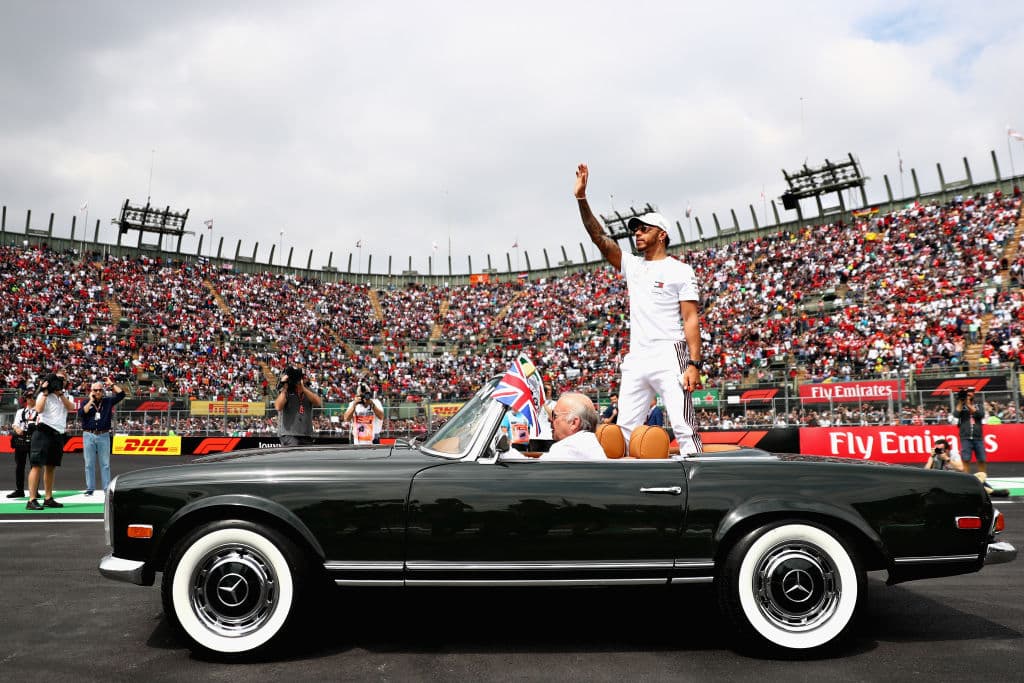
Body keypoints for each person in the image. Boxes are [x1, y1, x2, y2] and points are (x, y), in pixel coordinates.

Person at [575, 163, 703, 455]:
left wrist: (694, 365)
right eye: (635, 230)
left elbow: (690, 319)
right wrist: (582, 199)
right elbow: (599, 238)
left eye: (645, 229)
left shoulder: (680, 270)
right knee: (623, 430)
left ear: (662, 234)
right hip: (637, 357)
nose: (638, 234)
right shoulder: (633, 266)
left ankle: (701, 476)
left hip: (669, 352)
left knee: (684, 426)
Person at [26, 372, 75, 510]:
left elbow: (71, 407)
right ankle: (31, 499)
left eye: (63, 379)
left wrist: (60, 394)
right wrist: (45, 392)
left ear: (66, 381)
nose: (60, 381)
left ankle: (48, 498)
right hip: (43, 431)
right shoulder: (44, 394)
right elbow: (38, 409)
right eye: (58, 379)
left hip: (58, 433)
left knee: (51, 466)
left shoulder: (67, 395)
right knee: (36, 465)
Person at [78, 377, 126, 495]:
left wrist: (111, 384)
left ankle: (106, 489)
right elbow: (81, 413)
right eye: (95, 390)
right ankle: (90, 488)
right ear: (91, 391)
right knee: (89, 464)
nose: (98, 392)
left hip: (103, 434)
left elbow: (121, 394)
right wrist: (91, 400)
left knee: (105, 464)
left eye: (100, 390)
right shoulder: (85, 402)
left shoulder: (108, 401)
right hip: (89, 434)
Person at [544, 392, 606, 460]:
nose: (549, 419)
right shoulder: (589, 444)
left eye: (555, 415)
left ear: (574, 423)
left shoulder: (566, 448)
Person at [273, 366, 323, 446]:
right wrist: (284, 389)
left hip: (306, 434)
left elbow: (318, 402)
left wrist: (303, 388)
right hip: (289, 434)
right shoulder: (287, 391)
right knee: (294, 452)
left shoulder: (309, 391)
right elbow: (278, 407)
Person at [7, 392, 38, 499]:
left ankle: (34, 491)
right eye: (28, 398)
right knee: (19, 466)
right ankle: (19, 490)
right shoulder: (20, 411)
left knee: (35, 466)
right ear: (26, 399)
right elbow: (15, 424)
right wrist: (17, 428)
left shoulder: (39, 411)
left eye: (32, 397)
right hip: (21, 440)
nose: (31, 399)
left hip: (34, 439)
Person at [955, 387, 987, 475]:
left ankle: (982, 477)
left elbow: (980, 415)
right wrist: (961, 402)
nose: (968, 395)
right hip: (965, 437)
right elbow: (956, 414)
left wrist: (968, 404)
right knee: (965, 459)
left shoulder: (978, 406)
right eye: (967, 393)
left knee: (982, 459)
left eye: (970, 393)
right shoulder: (961, 406)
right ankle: (966, 477)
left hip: (978, 437)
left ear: (974, 394)